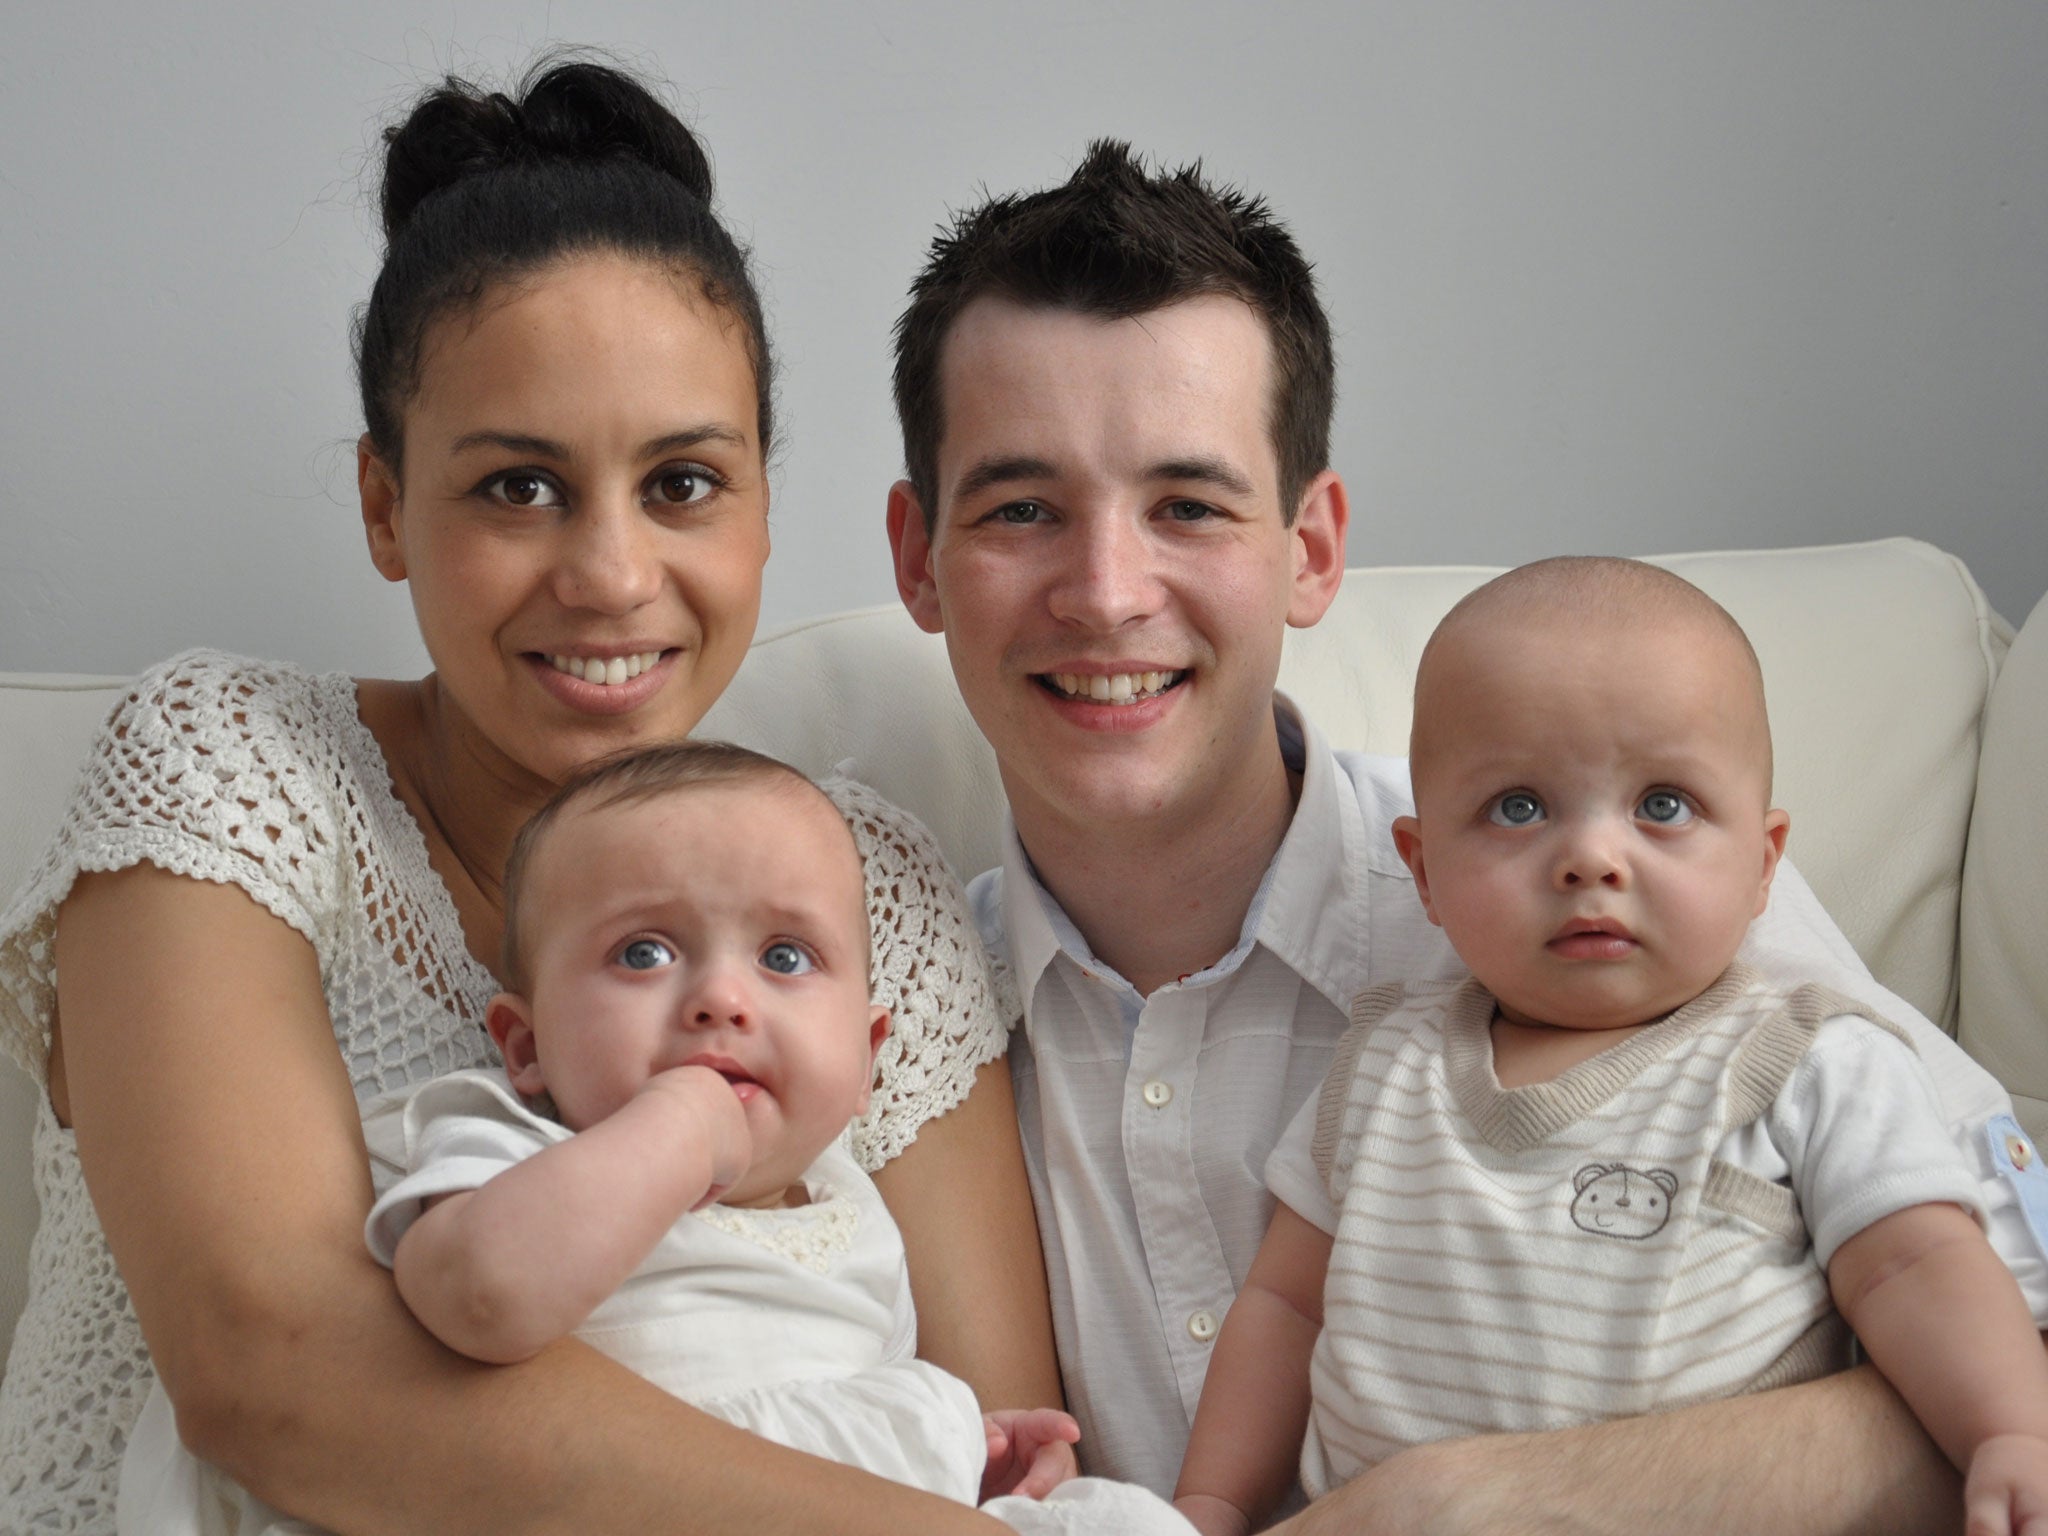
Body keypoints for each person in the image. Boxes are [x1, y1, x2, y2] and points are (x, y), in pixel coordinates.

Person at [884, 142, 2048, 1530]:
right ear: (918, 561)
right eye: (1023, 510)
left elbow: (2011, 1325)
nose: (1107, 590)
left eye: (1188, 505)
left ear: (1312, 549)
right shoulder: (898, 1028)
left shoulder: (1598, 878)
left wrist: (1485, 1504)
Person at [0, 59, 1058, 1536]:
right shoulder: (230, 768)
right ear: (386, 505)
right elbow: (278, 1377)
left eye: (684, 483)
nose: (612, 577)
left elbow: (997, 1426)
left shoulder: (864, 885)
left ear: (762, 503)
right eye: (518, 488)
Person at [1170, 558, 2048, 1536]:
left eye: (1661, 805)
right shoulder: (1382, 1060)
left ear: (1761, 866)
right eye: (1516, 807)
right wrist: (1205, 1507)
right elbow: (1286, 1308)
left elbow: (1914, 1267)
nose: (1590, 857)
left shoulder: (1805, 1061)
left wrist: (2010, 1436)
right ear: (1421, 869)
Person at [118, 742, 1192, 1536]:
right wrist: (679, 1131)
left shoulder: (849, 1202)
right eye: (642, 954)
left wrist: (963, 1446)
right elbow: (480, 1293)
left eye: (783, 958)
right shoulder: (504, 1141)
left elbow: (842, 1389)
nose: (720, 998)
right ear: (525, 1045)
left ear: (867, 1059)